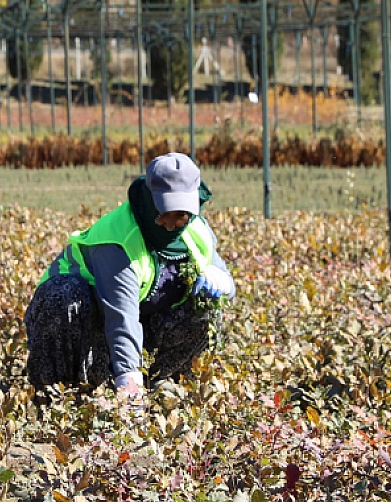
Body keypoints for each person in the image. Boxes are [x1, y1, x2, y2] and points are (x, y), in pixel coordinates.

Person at [25, 152, 235, 398]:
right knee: (65, 296)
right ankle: (56, 393)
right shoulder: (119, 240)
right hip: (84, 324)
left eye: (180, 216)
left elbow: (226, 283)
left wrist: (220, 281)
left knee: (207, 307)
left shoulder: (197, 231)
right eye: (163, 214)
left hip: (142, 322)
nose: (170, 224)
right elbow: (121, 318)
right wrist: (129, 382)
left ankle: (159, 384)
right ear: (149, 201)